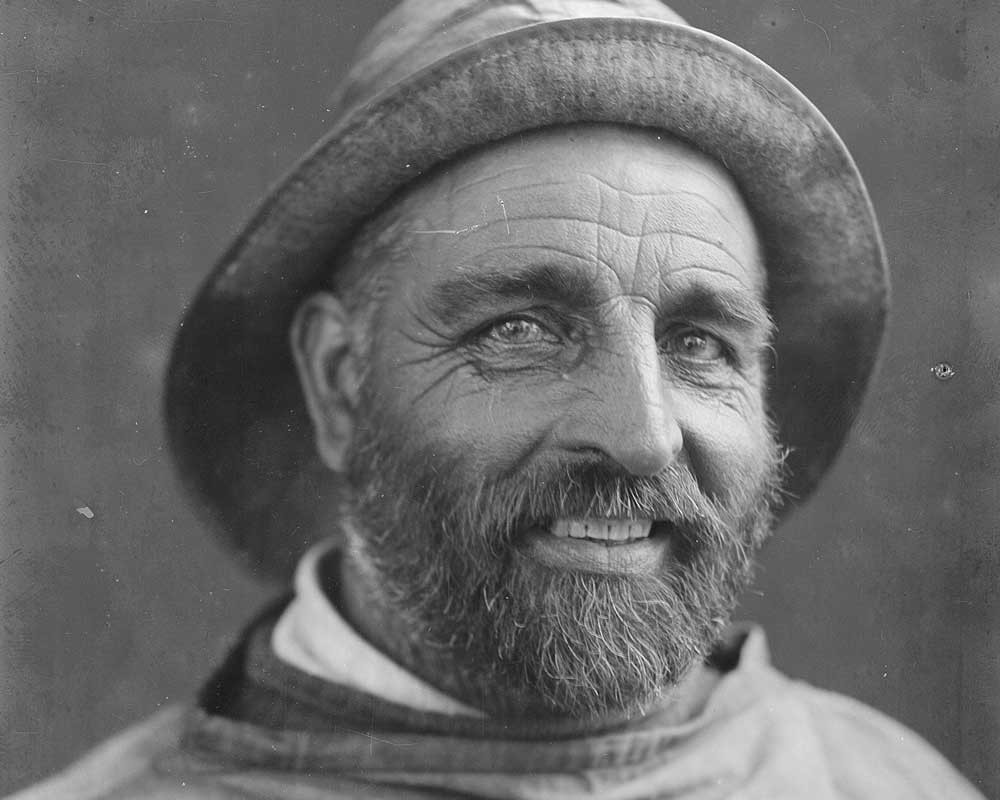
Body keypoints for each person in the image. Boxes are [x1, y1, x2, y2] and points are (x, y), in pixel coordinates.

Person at [11, 0, 985, 797]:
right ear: (341, 382)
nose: (643, 436)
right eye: (519, 329)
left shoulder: (887, 781)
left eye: (699, 343)